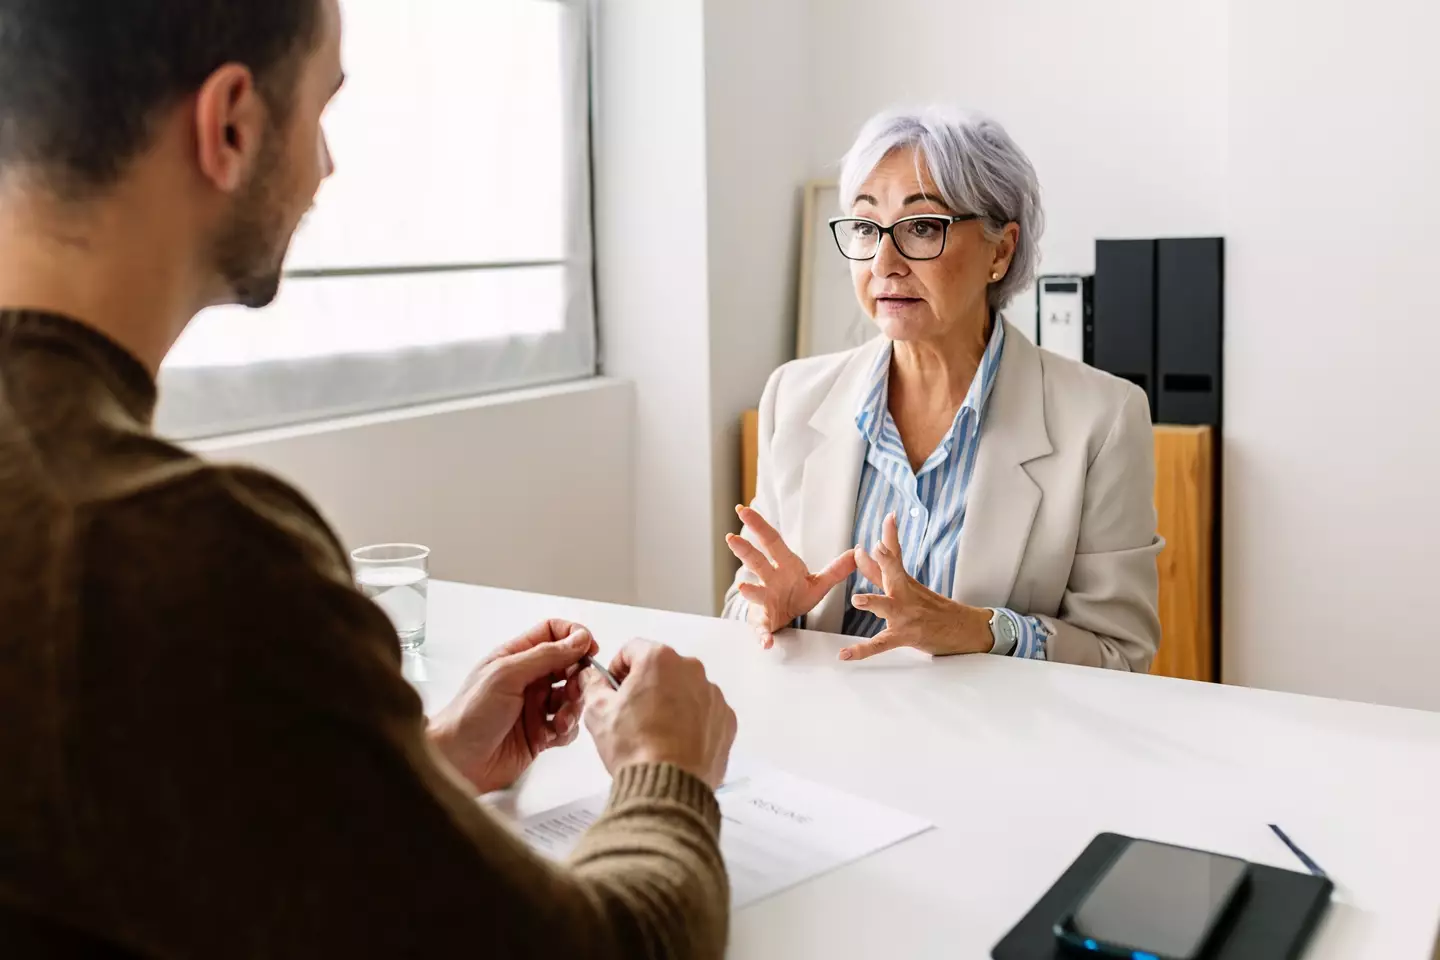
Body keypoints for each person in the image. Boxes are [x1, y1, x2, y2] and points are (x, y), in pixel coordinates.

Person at [0, 1, 736, 956]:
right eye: (322, 110)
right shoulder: (169, 545)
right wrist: (666, 770)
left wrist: (406, 767)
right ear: (230, 123)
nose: (326, 168)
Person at [723, 107, 1161, 671]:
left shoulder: (1102, 419)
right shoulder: (795, 394)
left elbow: (1120, 652)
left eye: (922, 227)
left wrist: (981, 630)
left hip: (1003, 746)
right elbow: (744, 605)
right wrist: (774, 614)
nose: (884, 261)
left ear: (999, 252)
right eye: (864, 227)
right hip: (828, 740)